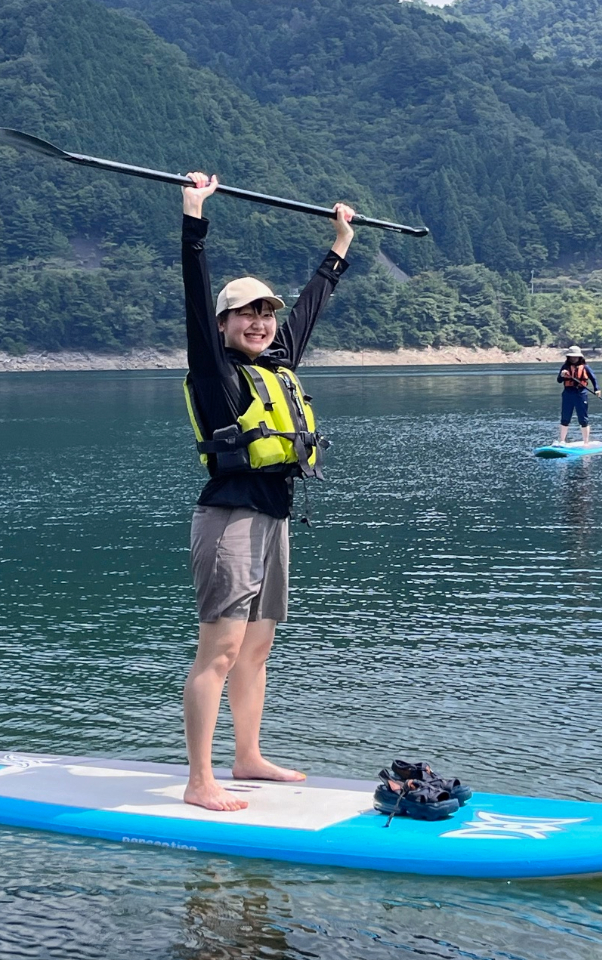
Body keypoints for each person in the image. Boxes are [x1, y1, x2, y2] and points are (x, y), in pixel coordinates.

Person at [180, 170, 355, 811]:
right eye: (246, 314)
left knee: (257, 649)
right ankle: (199, 780)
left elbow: (312, 304)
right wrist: (193, 219)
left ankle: (247, 756)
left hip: (274, 517)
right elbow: (194, 297)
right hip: (230, 517)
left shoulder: (277, 364)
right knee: (221, 650)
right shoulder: (215, 371)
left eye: (265, 314)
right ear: (224, 323)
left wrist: (340, 242)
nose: (259, 323)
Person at [556, 345, 600, 445]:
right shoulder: (565, 367)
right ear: (569, 357)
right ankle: (562, 441)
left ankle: (586, 442)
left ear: (579, 357)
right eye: (572, 357)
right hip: (568, 394)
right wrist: (562, 375)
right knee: (565, 418)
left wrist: (597, 389)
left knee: (583, 419)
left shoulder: (585, 367)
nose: (574, 358)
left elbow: (593, 378)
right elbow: (559, 380)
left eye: (576, 357)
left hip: (581, 394)